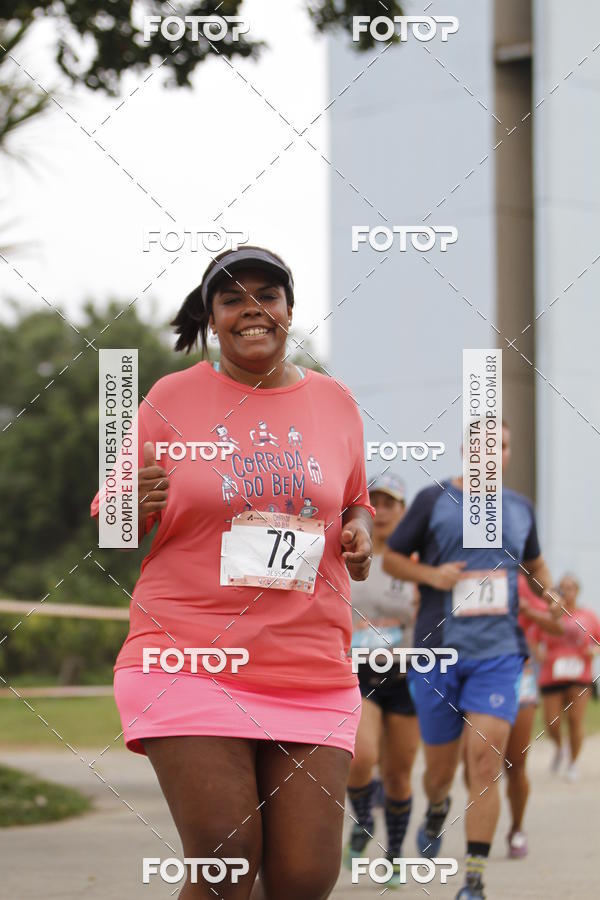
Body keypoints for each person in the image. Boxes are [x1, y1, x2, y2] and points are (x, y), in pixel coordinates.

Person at [91, 246, 375, 900]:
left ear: (289, 311)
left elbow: (354, 498)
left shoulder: (334, 401)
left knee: (304, 879)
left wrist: (359, 532)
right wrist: (134, 503)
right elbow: (113, 522)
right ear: (212, 319)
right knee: (227, 856)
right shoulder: (172, 397)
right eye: (232, 299)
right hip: (188, 657)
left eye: (267, 296)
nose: (253, 309)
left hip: (310, 667)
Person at [382, 421, 557, 900]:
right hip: (438, 652)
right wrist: (431, 576)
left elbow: (536, 566)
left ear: (508, 453)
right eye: (483, 445)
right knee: (438, 774)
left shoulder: (519, 509)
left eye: (502, 446)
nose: (493, 454)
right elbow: (392, 558)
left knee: (484, 761)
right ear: (465, 450)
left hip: (498, 653)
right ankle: (437, 807)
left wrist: (549, 593)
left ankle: (474, 881)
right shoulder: (433, 500)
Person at [343, 474, 419, 889]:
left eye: (392, 503)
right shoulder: (348, 553)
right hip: (358, 673)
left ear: (404, 511)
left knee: (398, 774)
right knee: (361, 757)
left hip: (406, 675)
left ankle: (394, 855)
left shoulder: (417, 563)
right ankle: (363, 821)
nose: (384, 511)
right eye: (377, 503)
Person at [503, 573, 563, 858]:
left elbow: (557, 627)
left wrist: (527, 610)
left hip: (519, 673)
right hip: (474, 673)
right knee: (477, 762)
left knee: (516, 763)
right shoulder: (462, 566)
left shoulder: (520, 580)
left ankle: (517, 828)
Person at [529, 572, 600, 782]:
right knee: (552, 723)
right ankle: (560, 748)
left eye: (570, 587)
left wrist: (594, 651)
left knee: (575, 720)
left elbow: (598, 641)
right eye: (563, 588)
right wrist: (537, 652)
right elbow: (533, 637)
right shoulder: (548, 615)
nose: (566, 592)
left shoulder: (588, 616)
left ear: (577, 591)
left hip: (579, 675)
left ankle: (573, 762)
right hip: (552, 674)